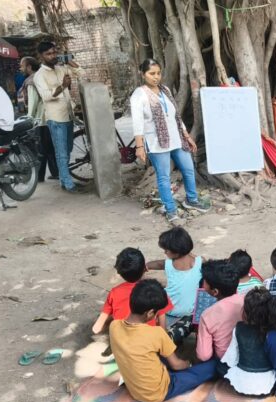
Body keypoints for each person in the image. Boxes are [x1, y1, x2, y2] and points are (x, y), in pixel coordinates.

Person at [109, 279, 227, 402]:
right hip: (160, 391)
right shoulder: (156, 334)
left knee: (163, 355)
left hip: (135, 390)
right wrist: (190, 363)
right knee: (213, 365)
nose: (157, 316)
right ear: (150, 313)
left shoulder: (114, 326)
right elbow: (177, 365)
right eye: (157, 313)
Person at [130, 58, 210, 223]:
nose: (156, 77)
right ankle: (170, 209)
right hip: (156, 142)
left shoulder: (165, 90)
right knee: (164, 177)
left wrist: (187, 136)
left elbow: (175, 116)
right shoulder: (139, 94)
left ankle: (191, 200)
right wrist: (139, 146)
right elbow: (137, 122)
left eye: (158, 73)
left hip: (176, 139)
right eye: (151, 73)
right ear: (143, 74)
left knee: (188, 168)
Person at [32, 41, 85, 194]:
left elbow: (82, 74)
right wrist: (62, 86)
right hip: (55, 119)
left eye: (54, 52)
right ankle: (68, 183)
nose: (52, 56)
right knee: (61, 152)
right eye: (48, 54)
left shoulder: (61, 69)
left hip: (68, 115)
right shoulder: (39, 76)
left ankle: (64, 179)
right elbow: (46, 96)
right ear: (41, 56)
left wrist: (70, 61)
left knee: (68, 149)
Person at [92, 247, 171, 334]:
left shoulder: (114, 292)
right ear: (145, 268)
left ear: (120, 273)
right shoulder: (156, 291)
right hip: (147, 337)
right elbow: (162, 328)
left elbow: (96, 328)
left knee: (111, 315)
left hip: (121, 338)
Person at [147, 227, 202, 333]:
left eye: (166, 250)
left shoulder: (169, 264)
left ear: (176, 251)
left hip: (167, 313)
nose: (165, 252)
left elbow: (158, 264)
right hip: (189, 314)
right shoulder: (200, 262)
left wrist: (145, 266)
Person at [222, 288, 275, 396]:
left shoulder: (239, 328)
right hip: (268, 383)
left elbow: (232, 359)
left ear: (246, 310)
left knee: (219, 365)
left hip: (242, 383)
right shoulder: (274, 330)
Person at [19, 57, 58, 182]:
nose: (20, 69)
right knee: (50, 147)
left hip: (40, 119)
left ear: (29, 67)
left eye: (22, 66)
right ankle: (55, 172)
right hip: (51, 115)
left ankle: (39, 176)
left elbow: (33, 102)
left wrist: (29, 119)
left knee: (41, 149)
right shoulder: (42, 76)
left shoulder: (31, 81)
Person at [195, 259, 243, 361]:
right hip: (249, 358)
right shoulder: (247, 300)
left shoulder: (207, 315)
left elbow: (204, 356)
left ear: (215, 291)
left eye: (205, 281)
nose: (203, 283)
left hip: (225, 361)